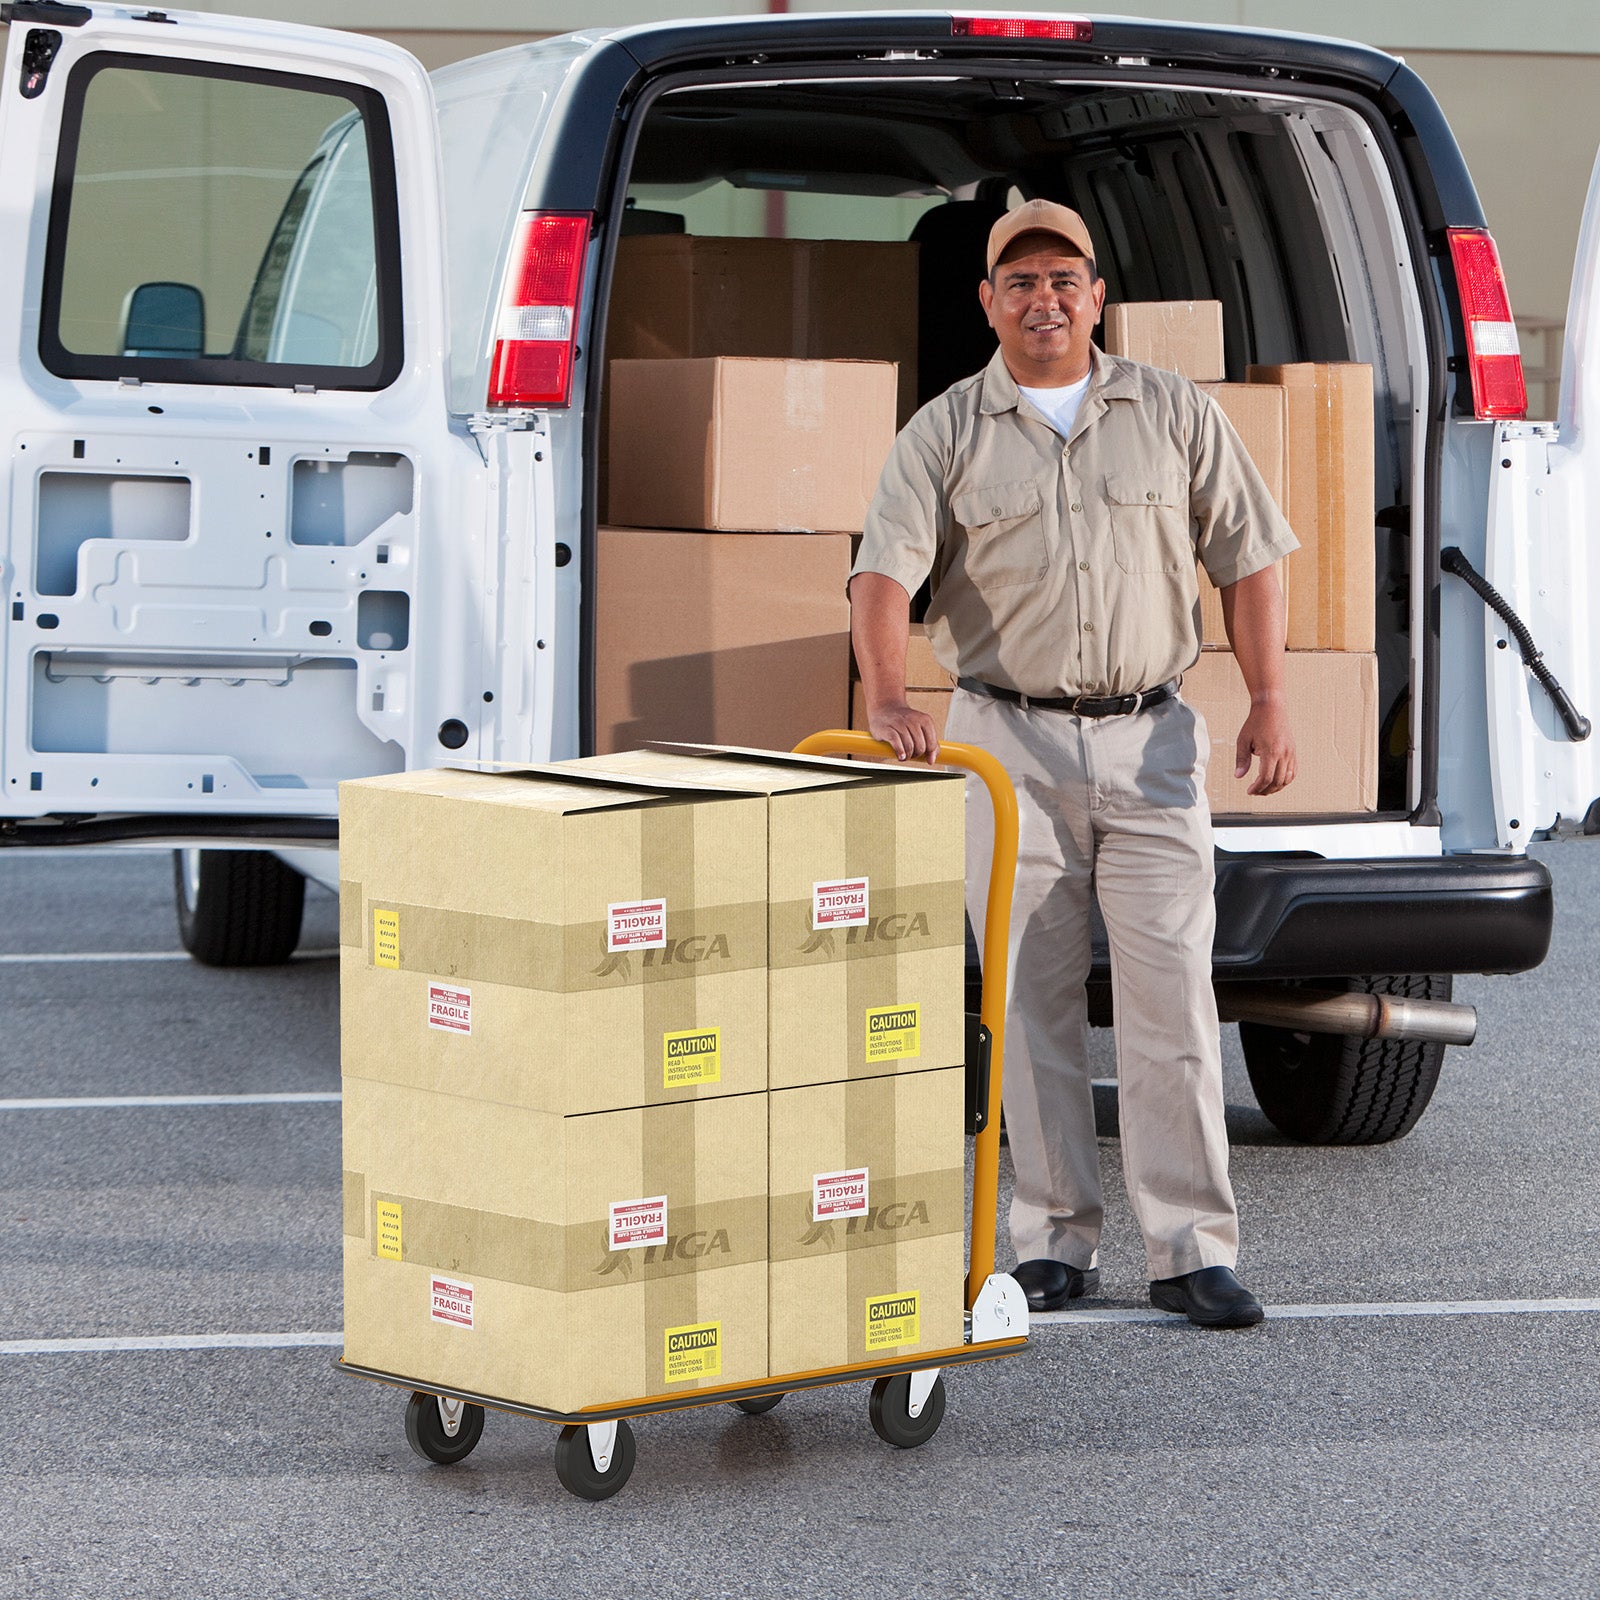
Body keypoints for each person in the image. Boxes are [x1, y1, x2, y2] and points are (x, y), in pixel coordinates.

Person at [849, 199, 1298, 1329]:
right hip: (1008, 746)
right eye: (1020, 281)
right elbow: (882, 573)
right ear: (987, 302)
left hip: (1153, 744)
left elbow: (1248, 557)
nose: (1042, 298)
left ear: (1097, 298)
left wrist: (1271, 698)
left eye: (1063, 279)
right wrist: (889, 695)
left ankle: (1190, 1250)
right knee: (1026, 996)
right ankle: (1051, 1240)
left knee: (1172, 997)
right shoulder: (945, 430)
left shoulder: (1174, 410)